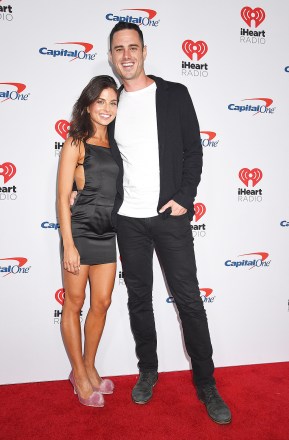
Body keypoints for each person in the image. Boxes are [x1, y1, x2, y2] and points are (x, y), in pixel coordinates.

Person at [107, 22, 232, 424]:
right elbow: (101, 161)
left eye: (132, 47)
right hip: (129, 220)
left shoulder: (174, 94)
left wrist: (184, 197)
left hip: (169, 216)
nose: (126, 55)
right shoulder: (110, 106)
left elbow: (193, 152)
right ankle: (148, 369)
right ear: (111, 57)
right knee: (139, 300)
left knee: (190, 301)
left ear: (144, 51)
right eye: (118, 49)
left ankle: (206, 383)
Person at [57, 75, 119, 407]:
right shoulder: (75, 142)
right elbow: (61, 197)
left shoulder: (118, 146)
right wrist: (68, 243)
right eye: (101, 102)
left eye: (113, 102)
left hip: (108, 233)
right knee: (74, 302)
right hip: (80, 232)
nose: (107, 109)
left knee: (103, 302)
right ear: (88, 104)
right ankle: (78, 373)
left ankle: (90, 364)